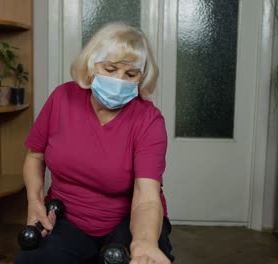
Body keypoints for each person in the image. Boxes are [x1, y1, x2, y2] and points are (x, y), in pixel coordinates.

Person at [15, 22, 174, 264]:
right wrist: (35, 203)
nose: (119, 80)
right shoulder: (61, 98)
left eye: (131, 74)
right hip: (67, 219)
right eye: (110, 69)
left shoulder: (148, 119)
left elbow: (147, 195)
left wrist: (144, 241)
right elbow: (35, 157)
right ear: (90, 67)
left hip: (127, 222)